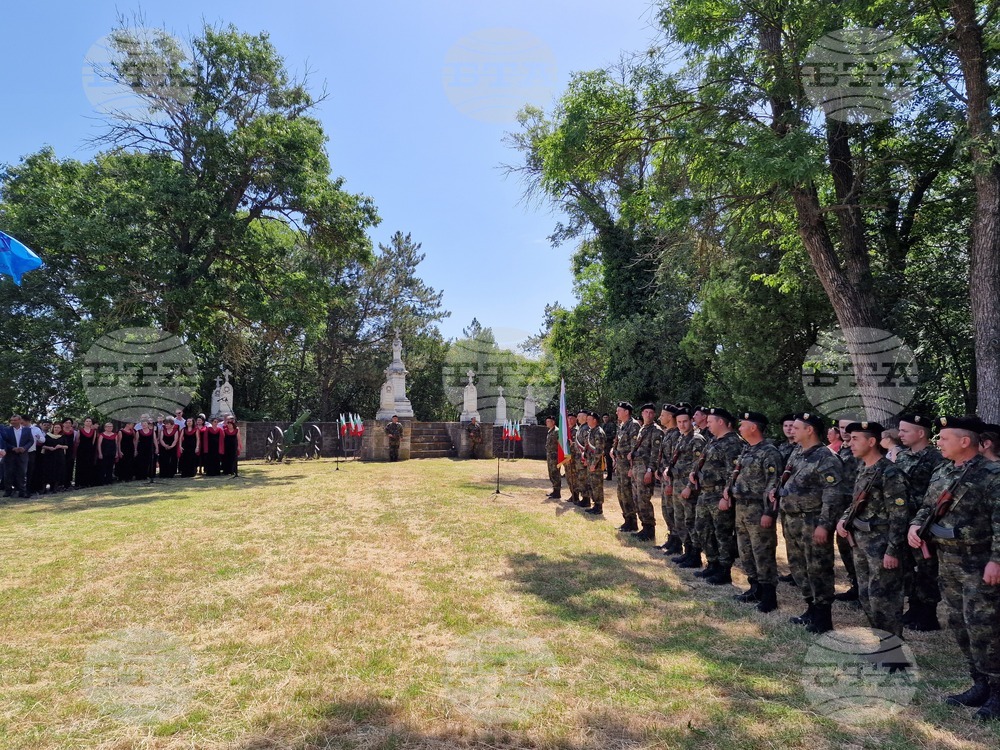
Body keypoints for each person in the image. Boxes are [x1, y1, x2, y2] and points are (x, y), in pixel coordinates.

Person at [908, 416, 1000, 721]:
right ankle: (979, 683)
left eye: (944, 438)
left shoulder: (992, 474)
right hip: (947, 561)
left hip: (979, 563)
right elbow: (927, 506)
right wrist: (915, 525)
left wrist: (996, 560)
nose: (939, 442)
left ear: (965, 441)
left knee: (985, 627)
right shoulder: (943, 470)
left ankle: (997, 690)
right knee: (959, 624)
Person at [770, 412, 844, 634]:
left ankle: (823, 617)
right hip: (792, 519)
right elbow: (788, 479)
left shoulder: (826, 457)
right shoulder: (797, 453)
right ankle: (811, 608)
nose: (791, 430)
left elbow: (833, 494)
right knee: (798, 566)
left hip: (812, 521)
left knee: (818, 568)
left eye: (796, 427)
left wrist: (824, 525)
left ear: (809, 430)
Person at [836, 422, 911, 638]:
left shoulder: (890, 473)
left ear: (871, 441)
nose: (850, 443)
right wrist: (844, 519)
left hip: (882, 544)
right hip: (861, 542)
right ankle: (882, 642)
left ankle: (894, 647)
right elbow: (856, 502)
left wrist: (893, 550)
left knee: (884, 598)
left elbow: (899, 515)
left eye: (856, 439)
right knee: (866, 595)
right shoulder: (864, 468)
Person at [726, 412, 782, 612]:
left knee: (762, 552)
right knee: (746, 551)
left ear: (753, 428)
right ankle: (755, 588)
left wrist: (769, 512)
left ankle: (768, 596)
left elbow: (774, 485)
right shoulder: (747, 449)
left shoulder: (769, 452)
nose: (739, 427)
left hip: (758, 509)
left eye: (743, 424)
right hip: (742, 508)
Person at [895, 413, 946, 632]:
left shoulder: (936, 458)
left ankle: (928, 613)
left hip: (924, 523)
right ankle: (914, 606)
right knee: (907, 567)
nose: (900, 434)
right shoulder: (902, 456)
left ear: (920, 433)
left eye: (905, 431)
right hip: (903, 520)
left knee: (926, 568)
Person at [691, 407, 744, 584]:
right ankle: (712, 563)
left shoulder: (733, 443)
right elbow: (703, 461)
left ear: (721, 422)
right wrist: (695, 473)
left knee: (722, 533)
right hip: (705, 493)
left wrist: (726, 496)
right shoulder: (714, 440)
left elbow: (733, 473)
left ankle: (724, 569)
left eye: (710, 421)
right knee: (703, 529)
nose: (707, 425)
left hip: (719, 494)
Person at [671, 408, 707, 568]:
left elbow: (697, 466)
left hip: (688, 487)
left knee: (691, 521)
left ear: (691, 421)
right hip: (678, 485)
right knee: (680, 520)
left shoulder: (697, 439)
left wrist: (689, 487)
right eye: (679, 422)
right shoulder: (681, 437)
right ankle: (687, 551)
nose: (682, 425)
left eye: (685, 421)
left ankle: (695, 555)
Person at [629, 403, 663, 541]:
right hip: (636, 468)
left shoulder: (656, 431)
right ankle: (644, 527)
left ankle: (649, 529)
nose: (648, 415)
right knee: (636, 498)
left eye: (651, 413)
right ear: (642, 413)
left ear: (654, 415)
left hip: (645, 469)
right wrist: (631, 467)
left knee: (643, 499)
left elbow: (656, 454)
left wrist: (650, 470)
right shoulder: (642, 428)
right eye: (646, 412)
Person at [655, 404, 683, 554]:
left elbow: (674, 460)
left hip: (671, 479)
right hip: (665, 478)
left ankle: (677, 543)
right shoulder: (668, 433)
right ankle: (671, 538)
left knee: (673, 511)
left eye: (663, 415)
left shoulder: (676, 435)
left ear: (670, 417)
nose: (660, 417)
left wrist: (670, 482)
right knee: (666, 510)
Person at [612, 402, 640, 530]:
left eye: (619, 410)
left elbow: (634, 449)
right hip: (620, 464)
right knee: (621, 493)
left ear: (626, 412)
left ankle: (632, 522)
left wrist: (631, 467)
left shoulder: (633, 425)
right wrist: (613, 451)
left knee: (627, 493)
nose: (616, 413)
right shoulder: (622, 425)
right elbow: (618, 442)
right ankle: (626, 519)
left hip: (627, 465)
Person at [2, 415, 35, 498]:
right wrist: (13, 448)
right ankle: (8, 491)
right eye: (11, 420)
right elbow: (4, 442)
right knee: (8, 473)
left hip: (22, 455)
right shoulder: (6, 430)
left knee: (22, 473)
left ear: (20, 421)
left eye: (15, 420)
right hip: (10, 454)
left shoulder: (27, 430)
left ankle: (22, 491)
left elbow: (31, 441)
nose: (12, 422)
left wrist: (24, 448)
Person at [583, 411, 606, 516]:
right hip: (590, 462)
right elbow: (588, 446)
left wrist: (593, 463)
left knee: (597, 485)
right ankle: (595, 505)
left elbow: (599, 450)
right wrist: (586, 458)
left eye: (589, 419)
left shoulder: (599, 432)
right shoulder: (591, 431)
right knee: (591, 484)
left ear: (595, 420)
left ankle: (598, 507)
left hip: (596, 464)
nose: (587, 420)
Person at [39, 422, 67, 493]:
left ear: (61, 429)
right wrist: (49, 448)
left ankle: (55, 488)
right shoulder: (48, 436)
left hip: (59, 456)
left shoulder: (62, 436)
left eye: (58, 427)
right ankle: (44, 488)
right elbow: (43, 446)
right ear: (53, 428)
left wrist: (60, 446)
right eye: (55, 427)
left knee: (57, 471)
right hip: (49, 456)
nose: (56, 429)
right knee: (47, 471)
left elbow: (66, 446)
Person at [573, 410, 592, 508]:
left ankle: (586, 499)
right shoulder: (581, 428)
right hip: (578, 459)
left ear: (585, 417)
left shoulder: (586, 428)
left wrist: (586, 458)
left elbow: (587, 444)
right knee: (580, 479)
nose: (577, 418)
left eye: (579, 416)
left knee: (584, 479)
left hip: (583, 459)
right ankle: (583, 498)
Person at [75, 417, 99, 488]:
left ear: (91, 423)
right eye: (87, 421)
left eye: (90, 421)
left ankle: (88, 482)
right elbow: (77, 441)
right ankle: (80, 483)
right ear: (84, 422)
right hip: (81, 451)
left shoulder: (94, 431)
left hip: (90, 450)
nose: (88, 422)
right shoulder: (80, 431)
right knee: (81, 466)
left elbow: (93, 442)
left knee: (89, 465)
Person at [544, 416, 561, 499]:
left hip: (555, 456)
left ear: (553, 422)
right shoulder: (550, 431)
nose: (547, 423)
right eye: (546, 421)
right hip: (550, 455)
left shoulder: (556, 431)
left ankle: (557, 492)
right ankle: (555, 490)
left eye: (549, 421)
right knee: (551, 473)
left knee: (555, 473)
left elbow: (560, 443)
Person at [601, 413, 614, 480]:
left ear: (608, 418)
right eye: (604, 417)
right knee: (601, 459)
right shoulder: (602, 425)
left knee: (609, 460)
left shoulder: (611, 425)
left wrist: (605, 437)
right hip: (602, 445)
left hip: (609, 444)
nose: (605, 419)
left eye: (606, 417)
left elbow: (613, 435)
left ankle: (609, 475)